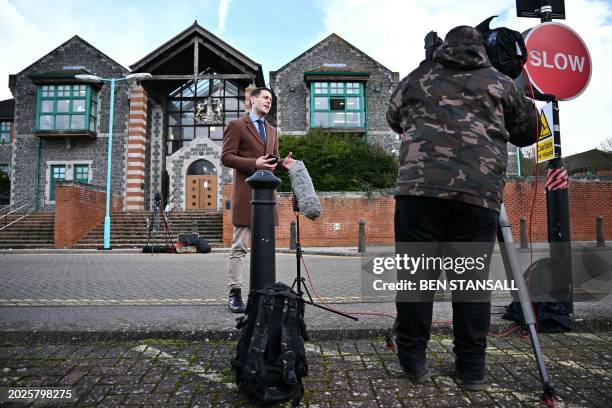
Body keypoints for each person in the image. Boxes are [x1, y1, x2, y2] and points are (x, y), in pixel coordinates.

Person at [386, 26, 537, 390]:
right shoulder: (500, 82)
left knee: (416, 280)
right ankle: (471, 370)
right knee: (470, 284)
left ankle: (414, 361)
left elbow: (394, 118)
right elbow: (529, 131)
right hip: (477, 196)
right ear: (482, 48)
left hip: (419, 194)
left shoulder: (419, 77)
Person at [221, 86, 293, 313]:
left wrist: (282, 164)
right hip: (246, 197)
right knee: (239, 248)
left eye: (271, 99)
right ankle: (235, 294)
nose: (269, 101)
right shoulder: (236, 126)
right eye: (265, 97)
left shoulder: (272, 131)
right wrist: (254, 164)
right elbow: (226, 157)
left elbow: (272, 159)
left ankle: (263, 293)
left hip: (267, 200)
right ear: (252, 100)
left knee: (265, 247)